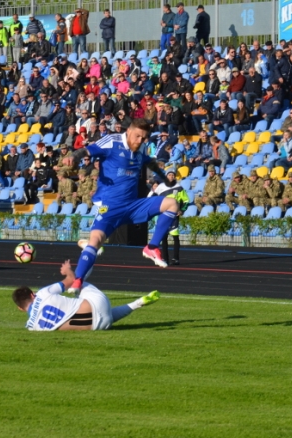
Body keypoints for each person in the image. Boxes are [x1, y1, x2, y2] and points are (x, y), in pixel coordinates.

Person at [59, 119, 181, 292]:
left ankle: (151, 247)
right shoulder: (112, 142)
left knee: (172, 203)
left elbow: (147, 161)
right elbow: (88, 150)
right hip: (110, 207)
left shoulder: (140, 150)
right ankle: (77, 280)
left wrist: (163, 174)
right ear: (129, 131)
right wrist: (73, 156)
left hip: (133, 205)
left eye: (144, 138)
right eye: (138, 136)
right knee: (95, 242)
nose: (140, 140)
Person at [13, 260, 160, 331]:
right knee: (78, 280)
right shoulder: (43, 293)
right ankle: (91, 255)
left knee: (103, 314)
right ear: (33, 294)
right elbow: (70, 280)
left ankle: (137, 303)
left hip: (100, 325)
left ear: (20, 309)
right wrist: (67, 270)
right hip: (97, 303)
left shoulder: (31, 327)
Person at [151, 170, 190, 265]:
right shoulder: (160, 187)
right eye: (169, 175)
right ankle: (165, 259)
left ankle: (176, 258)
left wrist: (181, 210)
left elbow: (186, 201)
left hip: (174, 216)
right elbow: (153, 199)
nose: (171, 176)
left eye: (173, 175)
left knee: (175, 237)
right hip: (163, 215)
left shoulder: (179, 187)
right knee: (164, 237)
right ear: (166, 176)